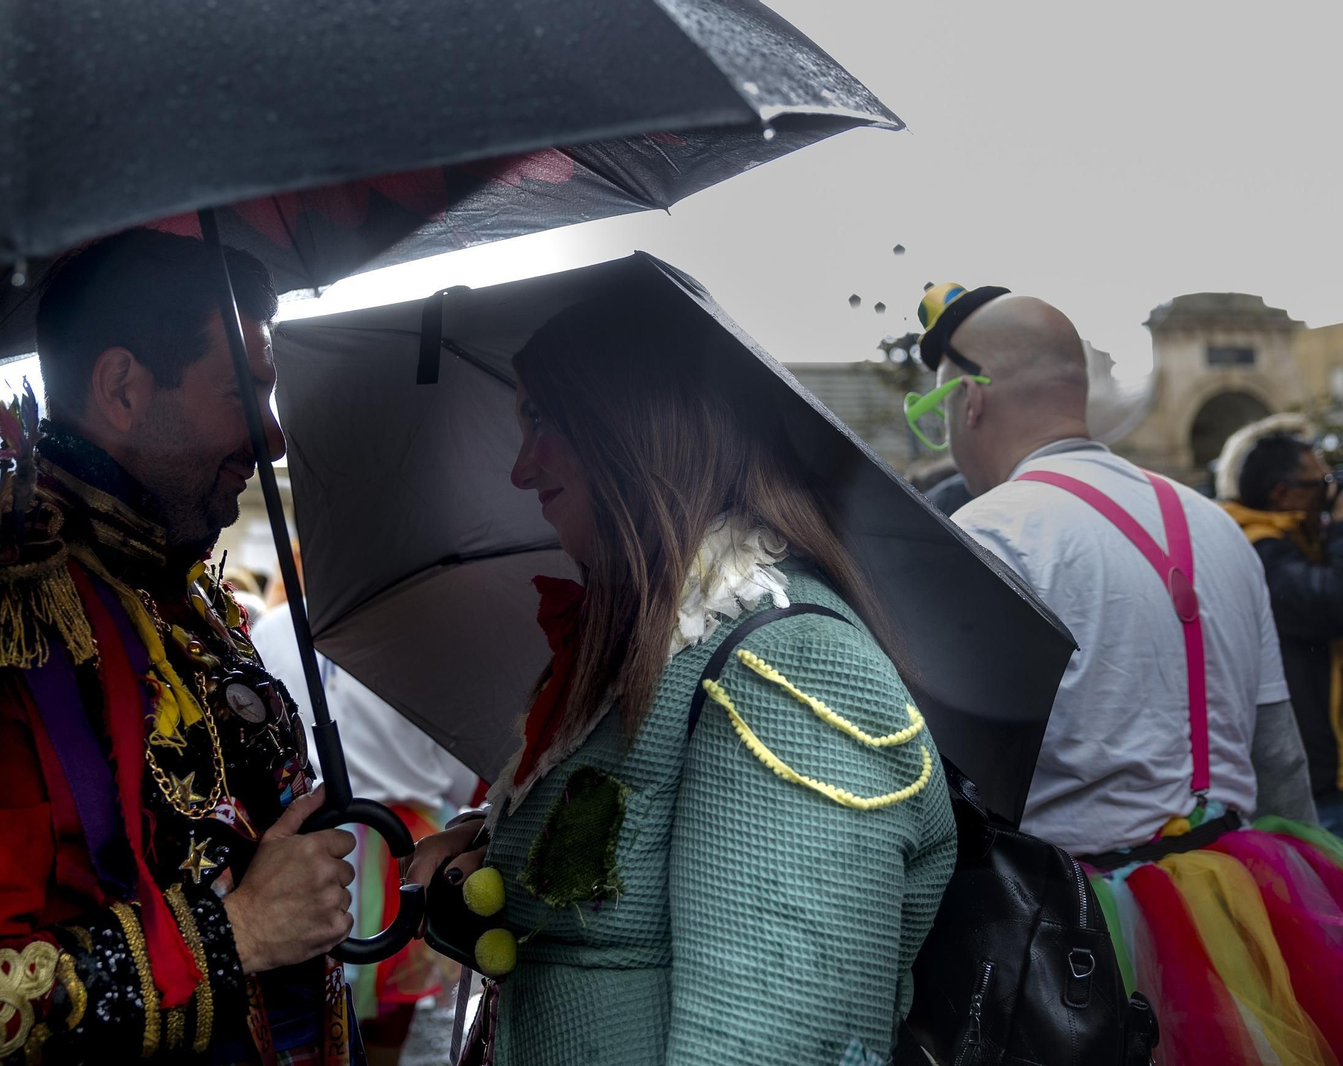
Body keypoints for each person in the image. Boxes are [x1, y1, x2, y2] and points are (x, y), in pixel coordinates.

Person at [0, 229, 365, 1065]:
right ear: (121, 386)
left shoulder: (184, 597)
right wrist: (234, 934)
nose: (274, 437)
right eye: (239, 393)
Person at [408, 298, 956, 1066]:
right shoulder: (654, 652)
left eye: (543, 420)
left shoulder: (792, 670)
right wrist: (486, 858)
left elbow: (778, 1046)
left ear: (629, 426)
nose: (521, 466)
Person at [927, 282, 1342, 1065]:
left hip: (1073, 945)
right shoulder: (1216, 525)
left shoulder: (987, 535)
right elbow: (1278, 755)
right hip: (1247, 909)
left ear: (969, 400)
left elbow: (945, 787)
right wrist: (1311, 909)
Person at [253, 588, 477, 1065]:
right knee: (378, 1031)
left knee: (308, 1007)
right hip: (398, 838)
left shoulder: (272, 630)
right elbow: (460, 770)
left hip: (306, 839)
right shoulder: (427, 633)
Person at [1225, 433, 1343, 834]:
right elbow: (1334, 603)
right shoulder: (1258, 552)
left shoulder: (1295, 542)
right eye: (1322, 484)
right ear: (1284, 494)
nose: (1330, 495)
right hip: (1314, 782)